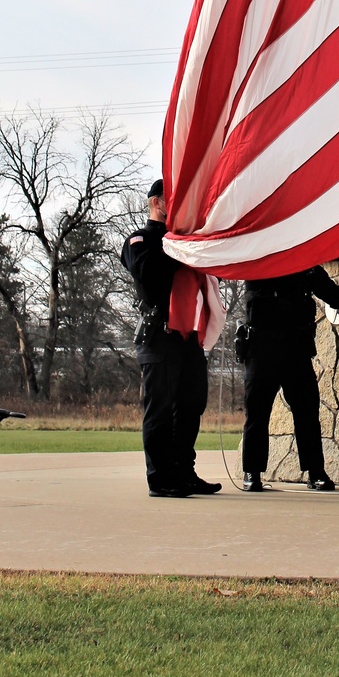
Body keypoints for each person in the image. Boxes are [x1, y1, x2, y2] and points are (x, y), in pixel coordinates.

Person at [121, 179, 221, 498]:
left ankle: (182, 471)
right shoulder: (141, 240)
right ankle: (160, 477)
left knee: (191, 405)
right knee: (160, 409)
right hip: (159, 335)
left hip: (188, 336)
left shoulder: (184, 242)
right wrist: (179, 246)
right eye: (173, 199)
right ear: (157, 203)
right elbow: (149, 276)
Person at [239, 266, 339, 492]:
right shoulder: (258, 256)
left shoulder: (305, 262)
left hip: (296, 348)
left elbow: (330, 293)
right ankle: (251, 471)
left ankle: (315, 472)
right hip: (262, 346)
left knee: (307, 412)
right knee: (257, 411)